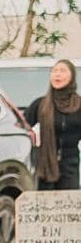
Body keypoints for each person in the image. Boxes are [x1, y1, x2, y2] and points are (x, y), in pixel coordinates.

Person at [24, 60, 81, 191]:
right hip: (44, 165)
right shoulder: (41, 104)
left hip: (70, 164)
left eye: (62, 71)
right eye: (54, 71)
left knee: (69, 205)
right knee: (44, 205)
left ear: (72, 76)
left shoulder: (78, 105)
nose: (57, 75)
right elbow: (22, 127)